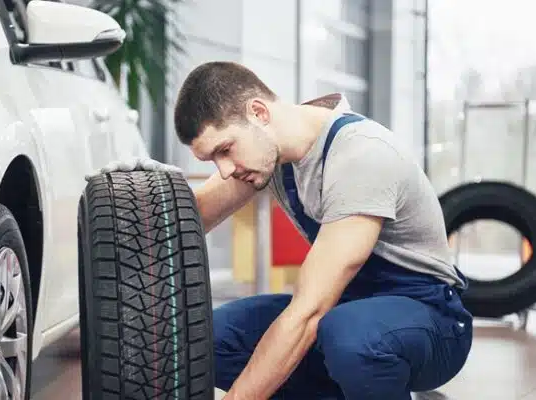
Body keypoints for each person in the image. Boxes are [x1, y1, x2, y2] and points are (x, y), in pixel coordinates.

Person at [89, 61, 473, 400]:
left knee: (350, 338)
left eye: (225, 150)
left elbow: (309, 312)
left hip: (431, 321)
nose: (224, 170)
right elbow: (190, 219)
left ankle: (388, 381)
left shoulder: (362, 155)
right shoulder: (269, 154)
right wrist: (142, 190)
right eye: (211, 160)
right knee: (210, 339)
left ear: (258, 113)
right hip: (348, 312)